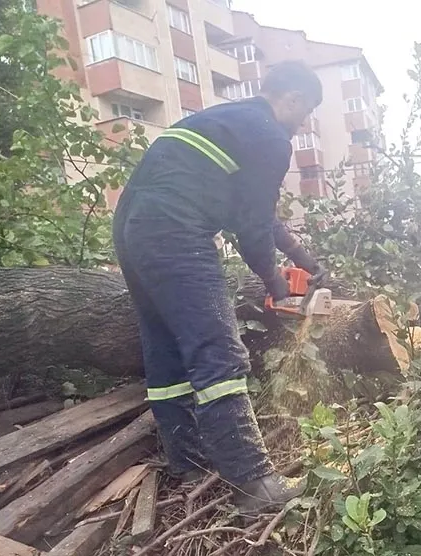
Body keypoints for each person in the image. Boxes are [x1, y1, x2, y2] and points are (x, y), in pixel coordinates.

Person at [112, 60, 324, 515]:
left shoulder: (228, 122)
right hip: (174, 228)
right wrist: (273, 281)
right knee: (219, 353)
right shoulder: (269, 135)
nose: (302, 122)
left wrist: (306, 262)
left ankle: (187, 461)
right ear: (293, 98)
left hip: (133, 225)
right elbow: (251, 228)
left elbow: (260, 217)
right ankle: (253, 484)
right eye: (304, 111)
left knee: (166, 346)